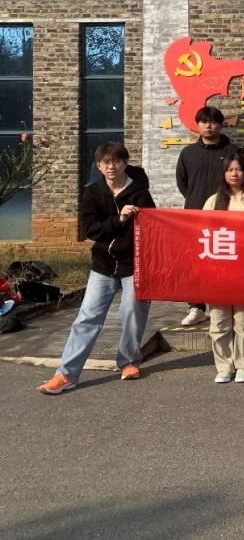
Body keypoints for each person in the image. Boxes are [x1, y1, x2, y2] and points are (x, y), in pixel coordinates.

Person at [38, 143, 156, 395]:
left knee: (133, 313)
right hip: (103, 265)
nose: (111, 166)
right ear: (99, 166)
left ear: (125, 163)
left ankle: (129, 362)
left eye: (116, 161)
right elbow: (91, 230)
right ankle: (66, 374)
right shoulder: (92, 193)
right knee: (87, 317)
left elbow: (153, 227)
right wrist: (119, 220)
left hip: (134, 265)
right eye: (106, 162)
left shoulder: (140, 193)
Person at [202, 155, 244, 383]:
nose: (234, 174)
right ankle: (223, 365)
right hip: (218, 271)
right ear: (223, 173)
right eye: (229, 169)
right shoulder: (213, 201)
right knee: (219, 322)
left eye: (239, 169)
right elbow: (201, 234)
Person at [176, 106, 238, 327]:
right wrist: (197, 200)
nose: (208, 126)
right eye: (204, 122)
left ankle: (223, 302)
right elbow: (183, 184)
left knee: (225, 259)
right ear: (198, 125)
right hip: (195, 216)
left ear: (220, 125)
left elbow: (239, 180)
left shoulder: (232, 151)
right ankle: (196, 306)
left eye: (213, 122)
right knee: (196, 261)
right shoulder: (188, 153)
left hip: (226, 215)